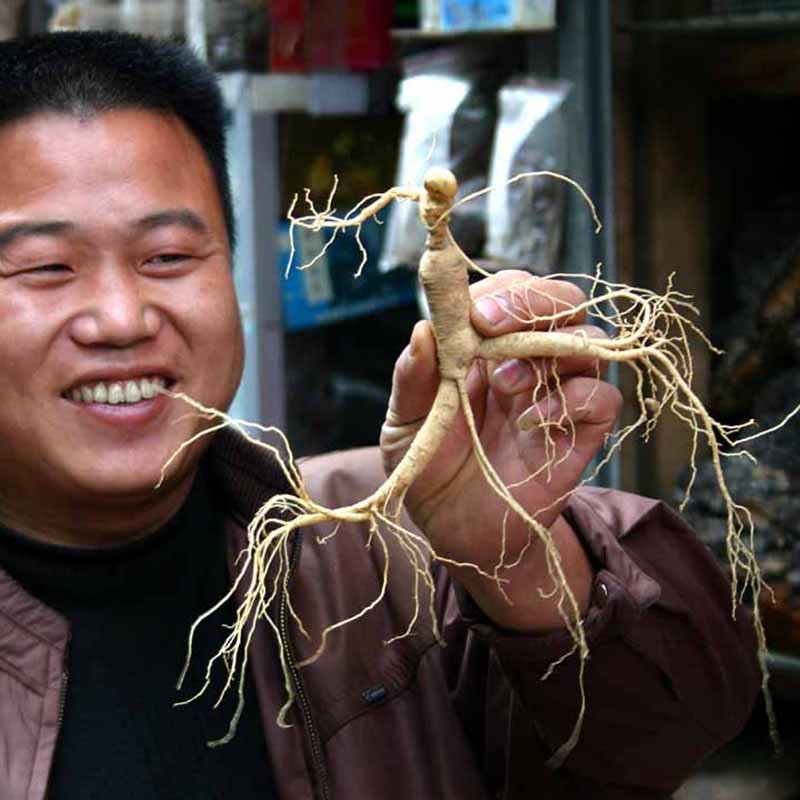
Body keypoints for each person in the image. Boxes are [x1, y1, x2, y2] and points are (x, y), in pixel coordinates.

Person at [0, 31, 758, 800]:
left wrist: (518, 561)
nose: (122, 318)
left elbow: (674, 733)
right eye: (45, 268)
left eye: (167, 256)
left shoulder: (386, 543)